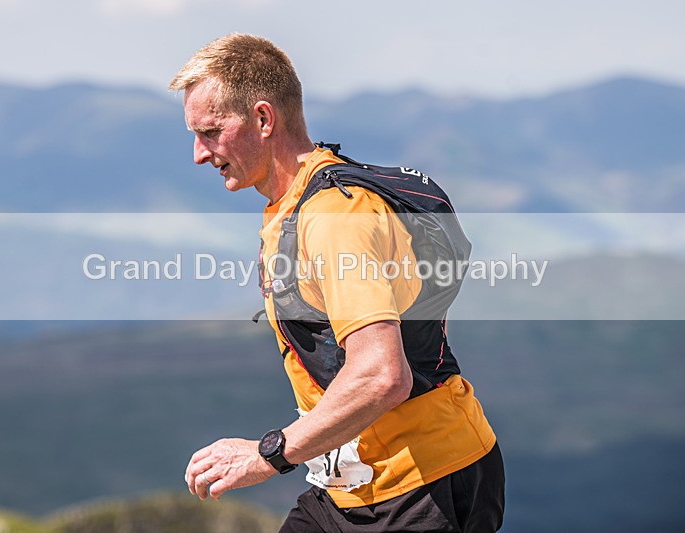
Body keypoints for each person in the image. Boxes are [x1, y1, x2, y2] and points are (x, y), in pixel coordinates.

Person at [170, 33, 505, 532]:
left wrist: (265, 456)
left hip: (422, 487)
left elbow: (382, 375)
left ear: (263, 119)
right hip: (351, 484)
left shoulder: (332, 216)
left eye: (212, 131)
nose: (199, 153)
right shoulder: (298, 199)